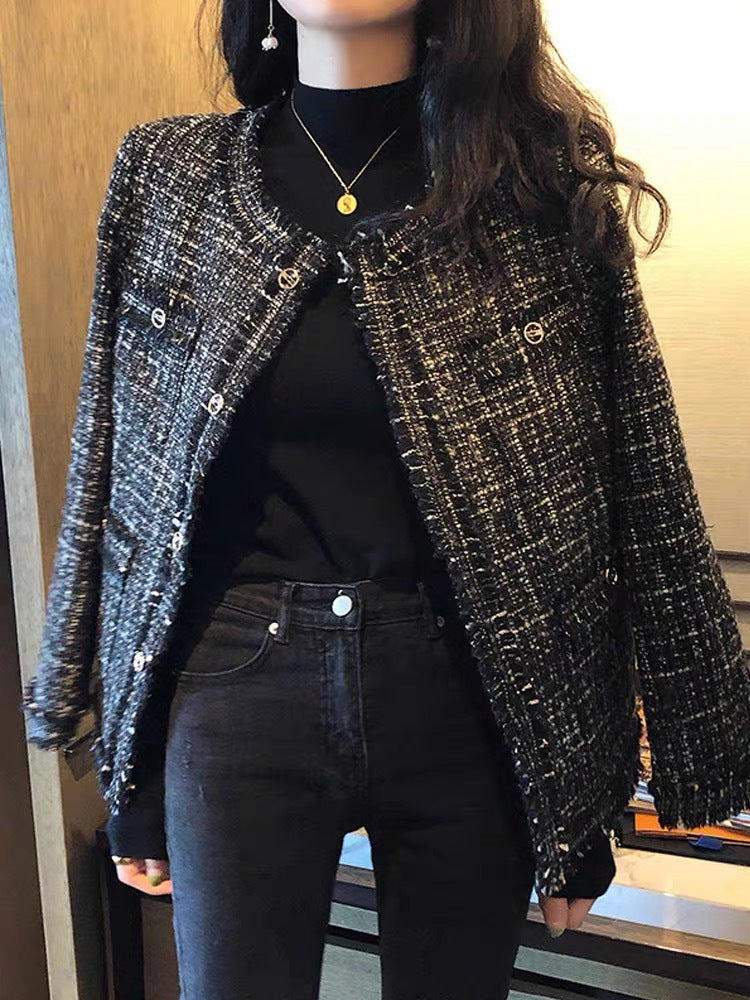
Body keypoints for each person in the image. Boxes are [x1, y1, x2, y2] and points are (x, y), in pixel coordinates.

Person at [22, 0, 750, 997]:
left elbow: (624, 487)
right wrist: (133, 761)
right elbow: (122, 469)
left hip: (472, 698)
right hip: (234, 693)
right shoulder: (170, 178)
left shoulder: (537, 189)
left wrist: (581, 806)